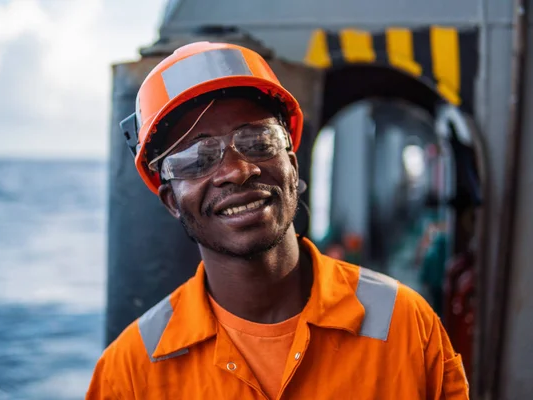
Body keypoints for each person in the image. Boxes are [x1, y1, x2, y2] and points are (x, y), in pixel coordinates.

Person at [86, 42, 469, 399]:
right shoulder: (131, 373)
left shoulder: (405, 325)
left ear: (292, 163)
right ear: (171, 200)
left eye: (258, 141)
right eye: (196, 160)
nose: (236, 170)